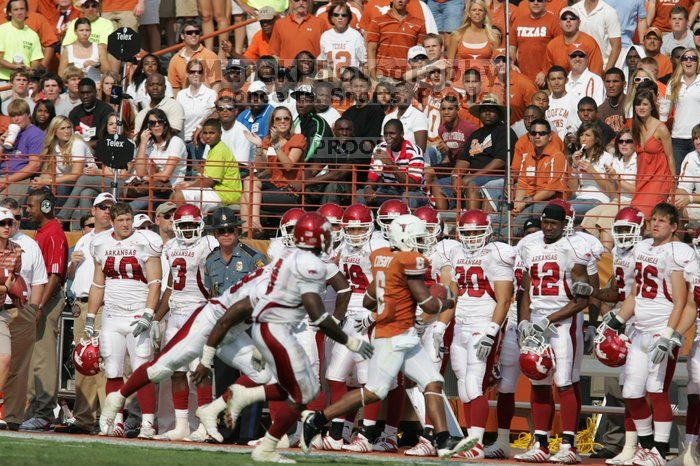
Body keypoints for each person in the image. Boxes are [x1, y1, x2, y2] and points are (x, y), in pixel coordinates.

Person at [300, 214, 473, 459]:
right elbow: (429, 305)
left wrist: (395, 301)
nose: (423, 242)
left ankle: (443, 439)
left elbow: (370, 299)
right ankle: (317, 419)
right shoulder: (409, 259)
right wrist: (448, 299)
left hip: (404, 334)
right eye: (419, 237)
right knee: (373, 392)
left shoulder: (381, 258)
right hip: (393, 337)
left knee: (433, 382)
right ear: (404, 237)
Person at [599, 203, 694, 466]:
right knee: (631, 392)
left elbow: (680, 301)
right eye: (653, 219)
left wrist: (668, 334)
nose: (655, 224)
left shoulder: (677, 252)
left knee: (656, 390)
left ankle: (660, 452)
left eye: (662, 221)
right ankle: (647, 445)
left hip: (660, 329)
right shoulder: (642, 249)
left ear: (674, 226)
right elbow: (635, 294)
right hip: (639, 329)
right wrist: (618, 320)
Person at [515, 200, 592, 463]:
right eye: (545, 222)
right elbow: (525, 291)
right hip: (537, 323)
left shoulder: (574, 248)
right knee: (538, 382)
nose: (548, 228)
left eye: (554, 223)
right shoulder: (530, 245)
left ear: (564, 224)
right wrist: (525, 321)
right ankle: (541, 442)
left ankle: (569, 445)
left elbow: (582, 300)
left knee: (564, 382)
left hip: (563, 324)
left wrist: (549, 320)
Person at [84, 202, 161, 438]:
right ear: (112, 222)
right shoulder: (100, 242)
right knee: (113, 371)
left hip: (138, 312)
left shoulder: (145, 240)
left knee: (142, 370)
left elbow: (155, 282)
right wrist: (90, 316)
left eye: (129, 219)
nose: (126, 224)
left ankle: (148, 423)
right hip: (111, 315)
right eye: (121, 220)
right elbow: (98, 283)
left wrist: (149, 313)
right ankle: (115, 421)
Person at [441, 209, 514, 458]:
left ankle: (476, 443)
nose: (471, 237)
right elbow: (452, 294)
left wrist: (492, 331)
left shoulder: (496, 254)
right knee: (463, 385)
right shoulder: (455, 253)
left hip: (482, 323)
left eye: (476, 232)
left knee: (474, 385)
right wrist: (441, 326)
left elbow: (504, 300)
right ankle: (471, 440)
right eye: (467, 232)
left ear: (488, 232)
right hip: (460, 323)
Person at [147, 204, 219, 441]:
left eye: (191, 224)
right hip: (176, 314)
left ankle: (205, 424)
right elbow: (170, 286)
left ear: (199, 224)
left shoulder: (208, 244)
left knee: (198, 370)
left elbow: (215, 282)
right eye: (184, 225)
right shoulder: (172, 246)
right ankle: (182, 425)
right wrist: (156, 318)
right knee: (176, 371)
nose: (188, 229)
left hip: (198, 310)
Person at [54, 192, 114, 434]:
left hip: (102, 305)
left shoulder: (115, 239)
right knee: (83, 363)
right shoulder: (83, 240)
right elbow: (70, 277)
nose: (107, 211)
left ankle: (104, 419)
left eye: (110, 207)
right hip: (80, 305)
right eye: (102, 207)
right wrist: (73, 265)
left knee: (99, 362)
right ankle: (84, 418)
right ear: (94, 211)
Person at [19, 189, 69, 432]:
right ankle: (34, 411)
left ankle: (45, 413)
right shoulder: (43, 233)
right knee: (34, 358)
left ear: (46, 207)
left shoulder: (54, 233)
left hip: (46, 302)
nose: (28, 210)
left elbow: (55, 274)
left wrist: (39, 306)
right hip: (38, 302)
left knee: (44, 358)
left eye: (31, 206)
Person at [0, 197, 46, 432]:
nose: (10, 225)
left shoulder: (28, 245)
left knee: (18, 367)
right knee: (3, 359)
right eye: (5, 221)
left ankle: (13, 416)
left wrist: (34, 310)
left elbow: (38, 281)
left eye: (15, 219)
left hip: (21, 309)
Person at [239, 106, 306, 234]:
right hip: (274, 184)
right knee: (249, 180)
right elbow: (261, 167)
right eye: (278, 119)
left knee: (245, 197)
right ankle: (250, 230)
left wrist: (275, 145)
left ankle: (252, 230)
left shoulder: (298, 138)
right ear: (273, 123)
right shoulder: (268, 140)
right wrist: (259, 147)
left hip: (290, 190)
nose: (282, 121)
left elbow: (288, 165)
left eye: (286, 118)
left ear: (291, 121)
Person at [453, 94, 516, 210]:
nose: (487, 113)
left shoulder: (505, 132)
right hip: (473, 176)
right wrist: (456, 176)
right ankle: (447, 222)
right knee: (438, 185)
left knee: (471, 185)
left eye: (492, 110)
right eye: (484, 110)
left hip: (495, 177)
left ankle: (473, 225)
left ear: (499, 114)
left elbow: (500, 161)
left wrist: (474, 176)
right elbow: (464, 160)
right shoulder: (475, 134)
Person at [581, 129, 638, 250]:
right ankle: (594, 252)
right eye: (620, 141)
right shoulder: (616, 161)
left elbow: (638, 191)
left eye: (628, 141)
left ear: (635, 143)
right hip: (616, 200)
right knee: (590, 215)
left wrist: (617, 179)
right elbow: (611, 193)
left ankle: (606, 253)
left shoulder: (639, 161)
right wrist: (610, 179)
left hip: (633, 202)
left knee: (606, 216)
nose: (623, 144)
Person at [171, 118, 242, 212]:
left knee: (179, 196)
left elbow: (209, 182)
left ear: (220, 134)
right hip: (217, 191)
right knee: (174, 195)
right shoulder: (213, 148)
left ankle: (185, 224)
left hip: (225, 193)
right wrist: (189, 184)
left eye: (212, 133)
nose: (208, 136)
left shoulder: (219, 150)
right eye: (205, 133)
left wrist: (188, 185)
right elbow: (205, 178)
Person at [130, 108, 188, 213]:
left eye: (160, 122)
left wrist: (147, 177)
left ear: (165, 123)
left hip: (169, 190)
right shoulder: (148, 143)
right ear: (148, 126)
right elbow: (140, 172)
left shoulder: (175, 142)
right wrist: (143, 143)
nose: (157, 125)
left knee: (134, 206)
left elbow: (165, 175)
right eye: (152, 123)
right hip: (150, 188)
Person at [359, 119, 426, 209]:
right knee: (360, 194)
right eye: (385, 134)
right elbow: (372, 178)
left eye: (392, 133)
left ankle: (405, 223)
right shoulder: (380, 148)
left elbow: (412, 187)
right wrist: (368, 188)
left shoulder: (414, 151)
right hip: (387, 190)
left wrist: (390, 164)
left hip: (412, 193)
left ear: (402, 134)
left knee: (408, 197)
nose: (388, 137)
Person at [631, 90, 675, 218]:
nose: (641, 107)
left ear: (652, 106)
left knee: (648, 213)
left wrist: (673, 183)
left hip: (659, 179)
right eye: (638, 104)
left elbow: (670, 157)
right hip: (642, 180)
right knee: (636, 213)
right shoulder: (635, 128)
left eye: (645, 104)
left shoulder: (661, 128)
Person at [203, 207, 267, 296]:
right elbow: (211, 293)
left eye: (230, 230)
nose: (226, 234)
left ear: (237, 231)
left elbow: (265, 291)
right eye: (221, 231)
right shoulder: (210, 260)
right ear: (215, 234)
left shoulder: (254, 258)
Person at [31, 115, 92, 204]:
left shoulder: (77, 144)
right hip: (62, 181)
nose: (67, 131)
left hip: (83, 182)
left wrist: (46, 181)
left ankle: (57, 215)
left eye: (69, 128)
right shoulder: (54, 144)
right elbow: (48, 171)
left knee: (62, 186)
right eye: (62, 128)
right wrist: (39, 181)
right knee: (33, 188)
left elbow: (75, 176)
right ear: (54, 132)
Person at [430, 95, 477, 211]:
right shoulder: (441, 129)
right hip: (453, 165)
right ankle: (432, 206)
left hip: (469, 166)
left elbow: (476, 153)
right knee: (428, 172)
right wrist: (447, 152)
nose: (446, 112)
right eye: (443, 109)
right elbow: (450, 157)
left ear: (457, 110)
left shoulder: (470, 128)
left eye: (450, 109)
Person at [0, 207, 22, 430]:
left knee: (5, 358)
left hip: (1, 311)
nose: (7, 227)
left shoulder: (16, 250)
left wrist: (11, 289)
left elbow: (15, 277)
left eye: (9, 223)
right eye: (2, 223)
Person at [366, 0, 426, 80]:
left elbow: (419, 54)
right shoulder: (377, 21)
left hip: (408, 77)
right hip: (383, 75)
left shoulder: (419, 24)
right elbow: (371, 50)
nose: (400, 0)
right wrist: (373, 79)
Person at [568, 121, 615, 219]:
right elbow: (573, 189)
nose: (583, 139)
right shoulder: (580, 158)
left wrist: (592, 171)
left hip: (598, 199)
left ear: (596, 139)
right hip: (580, 198)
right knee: (556, 207)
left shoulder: (606, 157)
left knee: (567, 211)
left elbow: (609, 189)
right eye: (581, 135)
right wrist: (574, 167)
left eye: (588, 135)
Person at [663, 48, 700, 171]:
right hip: (678, 138)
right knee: (678, 177)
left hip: (698, 137)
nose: (688, 61)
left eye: (693, 58)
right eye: (685, 58)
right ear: (681, 62)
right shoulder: (673, 83)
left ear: (698, 62)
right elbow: (665, 112)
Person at [509, 0, 561, 86]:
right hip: (522, 77)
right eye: (532, 0)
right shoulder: (519, 21)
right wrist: (511, 64)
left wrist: (546, 71)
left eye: (540, 0)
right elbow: (512, 47)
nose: (536, 3)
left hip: (544, 79)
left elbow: (558, 51)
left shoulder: (554, 21)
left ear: (545, 2)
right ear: (528, 2)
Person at [175, 59, 216, 163]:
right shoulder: (181, 95)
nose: (196, 74)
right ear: (187, 74)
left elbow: (213, 115)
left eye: (199, 72)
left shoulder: (210, 94)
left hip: (200, 143)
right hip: (182, 142)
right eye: (192, 72)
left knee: (196, 174)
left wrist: (200, 128)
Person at [0, 99, 43, 201]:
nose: (16, 119)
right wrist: (1, 145)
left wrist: (6, 180)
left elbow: (34, 166)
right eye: (12, 116)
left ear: (28, 114)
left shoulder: (36, 134)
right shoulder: (9, 133)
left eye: (19, 115)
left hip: (20, 179)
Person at [446, 0, 499, 82]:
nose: (477, 12)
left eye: (480, 10)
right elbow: (450, 64)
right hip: (460, 84)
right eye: (474, 10)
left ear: (485, 14)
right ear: (469, 14)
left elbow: (496, 66)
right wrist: (447, 85)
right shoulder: (457, 35)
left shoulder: (493, 36)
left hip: (484, 83)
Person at [545, 6, 604, 77]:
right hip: (561, 86)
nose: (568, 21)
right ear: (559, 23)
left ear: (579, 22)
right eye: (564, 18)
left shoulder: (589, 43)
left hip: (585, 85)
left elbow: (596, 73)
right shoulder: (552, 45)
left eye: (572, 18)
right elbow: (549, 73)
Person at [167, 19, 221, 95]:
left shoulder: (210, 56)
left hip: (206, 103)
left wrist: (211, 104)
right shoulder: (175, 59)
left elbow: (216, 85)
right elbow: (174, 87)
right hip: (186, 103)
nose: (194, 35)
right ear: (182, 36)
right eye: (189, 32)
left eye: (197, 32)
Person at [570, 0, 622, 70]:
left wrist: (607, 70)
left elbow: (616, 46)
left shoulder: (610, 12)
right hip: (576, 67)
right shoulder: (574, 10)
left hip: (601, 67)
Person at [318, 2, 365, 79]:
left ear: (349, 17)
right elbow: (322, 61)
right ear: (331, 18)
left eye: (344, 15)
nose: (340, 17)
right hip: (332, 81)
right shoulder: (325, 36)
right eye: (336, 15)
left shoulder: (356, 36)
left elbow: (364, 62)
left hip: (351, 82)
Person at [0, 0, 42, 82]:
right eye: (16, 9)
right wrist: (15, 67)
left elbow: (35, 60)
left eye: (22, 9)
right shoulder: (1, 30)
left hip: (24, 81)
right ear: (9, 13)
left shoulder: (33, 35)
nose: (19, 12)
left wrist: (31, 70)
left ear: (26, 12)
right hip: (4, 80)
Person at [382, 80, 428, 153]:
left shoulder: (418, 116)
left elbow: (421, 150)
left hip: (414, 161)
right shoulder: (388, 118)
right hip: (392, 161)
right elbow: (384, 145)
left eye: (405, 91)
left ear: (411, 96)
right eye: (397, 92)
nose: (401, 94)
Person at [59, 18, 110, 83]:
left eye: (87, 30)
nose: (85, 33)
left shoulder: (99, 48)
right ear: (75, 31)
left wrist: (97, 65)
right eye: (81, 30)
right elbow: (61, 75)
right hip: (75, 89)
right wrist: (73, 71)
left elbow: (108, 72)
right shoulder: (67, 50)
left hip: (95, 87)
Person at [68, 77, 113, 146]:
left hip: (100, 150)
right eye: (82, 93)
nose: (85, 96)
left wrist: (88, 144)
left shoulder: (106, 110)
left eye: (88, 92)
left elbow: (108, 138)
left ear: (95, 92)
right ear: (78, 93)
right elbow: (70, 137)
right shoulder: (74, 113)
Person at [545, 66, 581, 140]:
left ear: (566, 80)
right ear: (548, 81)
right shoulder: (545, 103)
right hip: (550, 147)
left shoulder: (575, 100)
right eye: (553, 79)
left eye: (560, 78)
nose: (556, 82)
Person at [598, 67, 627, 132]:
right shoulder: (601, 110)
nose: (611, 85)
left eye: (615, 81)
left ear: (624, 84)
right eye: (608, 82)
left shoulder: (631, 105)